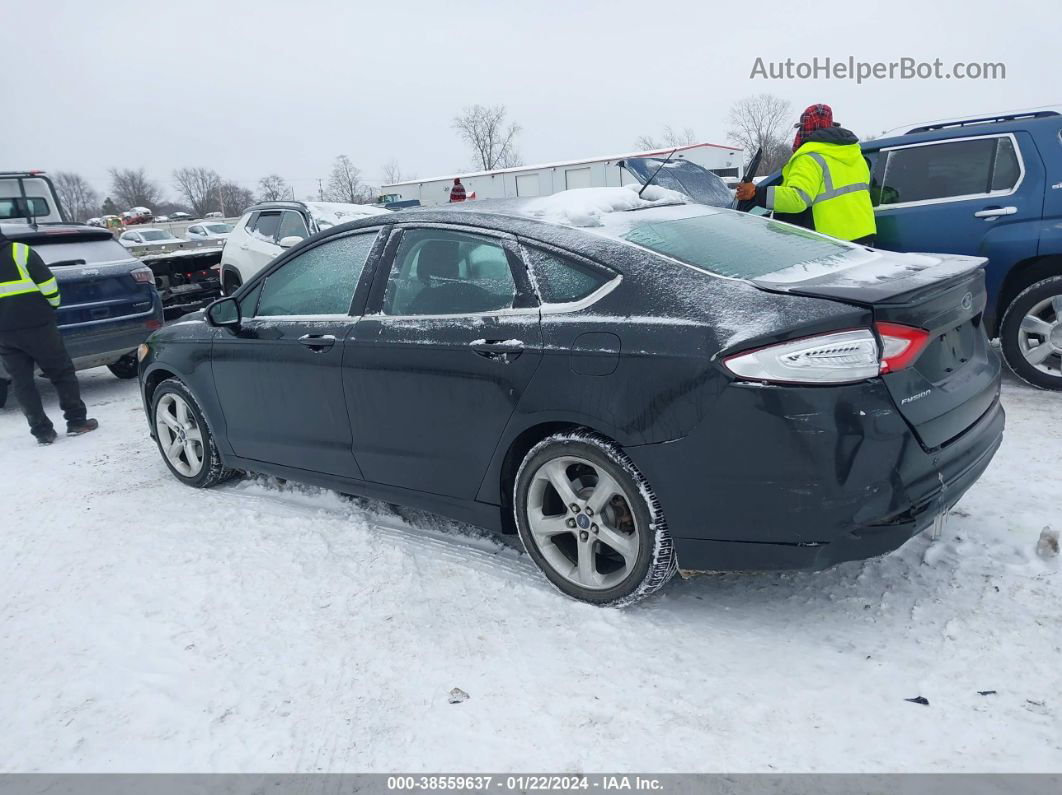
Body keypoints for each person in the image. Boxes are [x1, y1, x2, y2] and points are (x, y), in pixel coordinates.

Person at [0, 234, 98, 444]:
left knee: (22, 381)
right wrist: (52, 305)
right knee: (61, 372)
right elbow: (48, 284)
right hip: (38, 325)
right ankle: (76, 421)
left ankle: (42, 431)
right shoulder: (20, 251)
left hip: (5, 333)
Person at [736, 104, 876, 245]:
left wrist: (756, 193)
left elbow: (798, 199)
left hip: (832, 242)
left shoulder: (810, 157)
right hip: (864, 235)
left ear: (805, 128)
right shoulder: (856, 156)